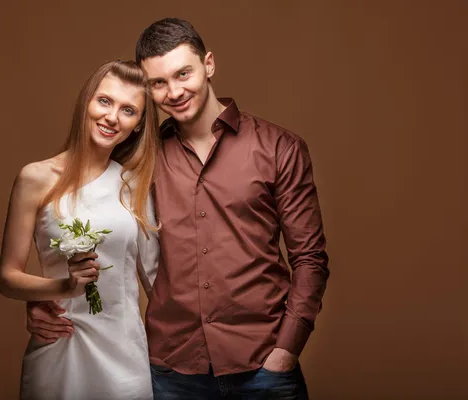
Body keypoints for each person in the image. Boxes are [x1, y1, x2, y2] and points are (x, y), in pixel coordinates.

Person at [26, 18, 330, 399]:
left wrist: (285, 350)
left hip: (264, 366)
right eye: (158, 83)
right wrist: (47, 303)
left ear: (209, 65)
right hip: (171, 370)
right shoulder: (137, 158)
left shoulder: (278, 148)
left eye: (183, 73)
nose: (174, 91)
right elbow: (79, 222)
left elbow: (310, 259)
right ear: (148, 89)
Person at [0, 60, 160, 400]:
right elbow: (8, 278)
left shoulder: (136, 185)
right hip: (59, 345)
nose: (112, 117)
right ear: (86, 101)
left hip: (123, 357)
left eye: (128, 110)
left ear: (137, 125)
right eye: (105, 101)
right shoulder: (35, 178)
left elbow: (158, 281)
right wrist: (63, 287)